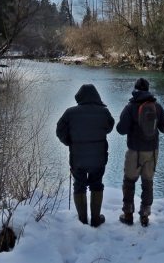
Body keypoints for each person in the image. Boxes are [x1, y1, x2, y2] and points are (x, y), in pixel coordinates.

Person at [56, 84, 115, 227]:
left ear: (80, 97)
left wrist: (70, 141)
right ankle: (95, 219)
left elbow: (59, 131)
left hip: (78, 158)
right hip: (99, 158)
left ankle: (82, 220)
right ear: (96, 96)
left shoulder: (70, 113)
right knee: (97, 185)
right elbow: (109, 127)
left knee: (79, 186)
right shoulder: (104, 112)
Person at [116, 77, 164, 227]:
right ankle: (145, 215)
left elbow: (120, 130)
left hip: (134, 152)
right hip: (152, 152)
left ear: (135, 89)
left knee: (129, 182)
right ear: (147, 89)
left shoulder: (130, 107)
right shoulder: (156, 107)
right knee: (148, 183)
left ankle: (128, 214)